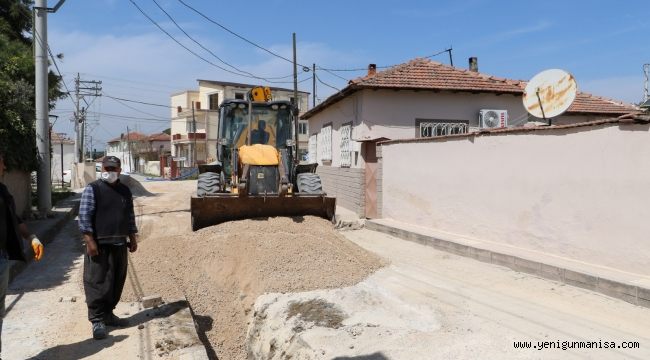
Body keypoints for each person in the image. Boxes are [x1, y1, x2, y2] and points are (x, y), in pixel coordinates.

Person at [78, 156, 138, 340]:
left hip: (120, 243)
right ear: (101, 168)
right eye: (107, 167)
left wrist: (132, 237)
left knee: (116, 281)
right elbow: (84, 216)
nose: (110, 171)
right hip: (99, 245)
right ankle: (97, 320)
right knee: (97, 281)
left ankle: (108, 314)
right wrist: (90, 241)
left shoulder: (124, 191)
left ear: (119, 170)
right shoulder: (93, 189)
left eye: (114, 168)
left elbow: (129, 216)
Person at [0, 151, 43, 357]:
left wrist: (31, 237)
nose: (4, 168)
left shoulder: (2, 192)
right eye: (1, 163)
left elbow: (14, 220)